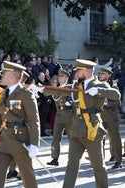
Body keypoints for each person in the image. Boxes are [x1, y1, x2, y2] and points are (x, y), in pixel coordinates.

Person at [41, 59, 120, 187]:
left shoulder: (99, 84)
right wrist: (39, 89)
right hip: (76, 129)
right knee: (71, 165)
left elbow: (116, 95)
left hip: (92, 130)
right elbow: (59, 91)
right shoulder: (75, 86)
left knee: (98, 166)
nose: (76, 73)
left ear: (86, 71)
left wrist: (99, 91)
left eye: (79, 70)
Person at [0, 61, 40, 188]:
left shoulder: (26, 94)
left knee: (28, 179)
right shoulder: (4, 94)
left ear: (12, 77)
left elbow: (34, 120)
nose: (1, 75)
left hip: (20, 141)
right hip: (4, 142)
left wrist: (34, 144)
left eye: (4, 73)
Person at [45, 69, 73, 166]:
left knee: (71, 138)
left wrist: (71, 103)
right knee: (55, 137)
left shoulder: (70, 88)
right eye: (59, 77)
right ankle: (55, 158)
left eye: (62, 77)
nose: (60, 78)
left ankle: (73, 159)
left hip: (69, 114)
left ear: (66, 78)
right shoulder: (57, 89)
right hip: (59, 114)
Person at [98, 67, 123, 169]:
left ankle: (118, 160)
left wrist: (106, 103)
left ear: (108, 75)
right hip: (101, 116)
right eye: (99, 73)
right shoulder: (97, 85)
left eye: (103, 74)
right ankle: (100, 159)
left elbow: (118, 102)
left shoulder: (113, 86)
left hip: (111, 116)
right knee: (99, 138)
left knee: (114, 138)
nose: (100, 75)